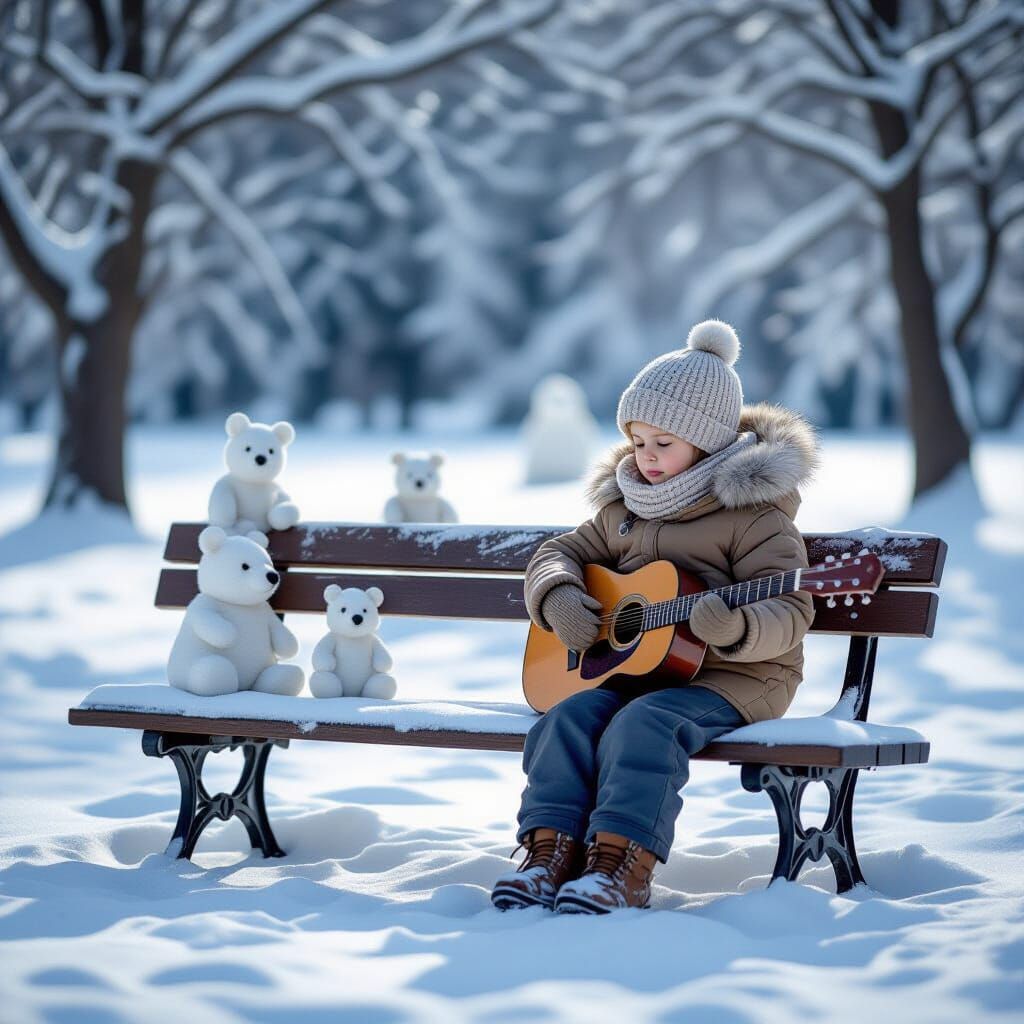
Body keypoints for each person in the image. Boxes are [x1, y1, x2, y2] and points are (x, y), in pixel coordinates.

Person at [492, 319, 821, 915]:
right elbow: (557, 553)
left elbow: (792, 609)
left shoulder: (755, 517)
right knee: (565, 720)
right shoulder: (624, 510)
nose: (645, 458)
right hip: (640, 672)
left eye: (662, 444)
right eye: (637, 442)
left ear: (709, 441)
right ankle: (550, 855)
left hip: (741, 677)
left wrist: (739, 627)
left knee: (645, 726)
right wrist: (558, 594)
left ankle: (620, 867)